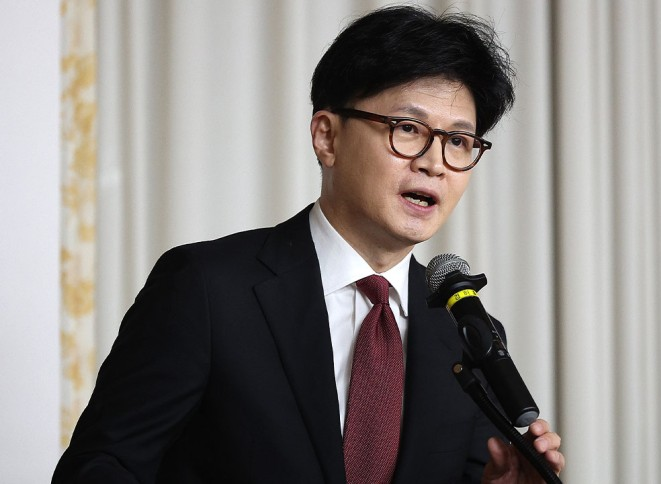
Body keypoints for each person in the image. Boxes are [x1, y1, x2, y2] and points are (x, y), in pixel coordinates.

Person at [54, 5, 564, 483]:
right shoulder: (207, 290)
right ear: (327, 137)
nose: (434, 163)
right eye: (408, 129)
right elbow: (100, 468)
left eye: (458, 141)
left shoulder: (464, 332)